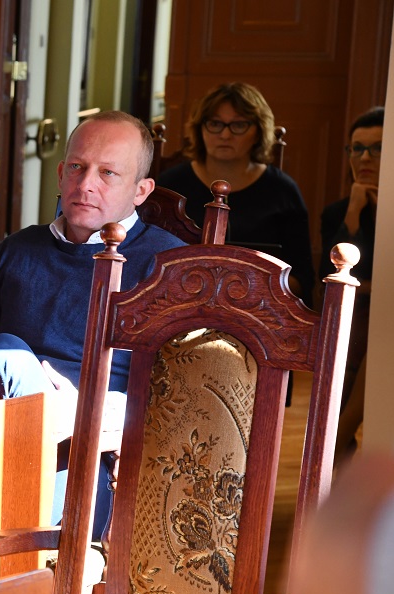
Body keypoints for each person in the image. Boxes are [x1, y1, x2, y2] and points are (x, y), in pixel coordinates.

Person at [0, 111, 186, 536]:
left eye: (107, 173)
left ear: (141, 190)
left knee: (5, 359)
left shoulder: (170, 266)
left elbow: (182, 395)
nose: (86, 184)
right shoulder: (17, 249)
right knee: (1, 359)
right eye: (77, 166)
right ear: (60, 173)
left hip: (89, 454)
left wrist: (93, 411)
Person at [157, 82, 314, 305]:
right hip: (178, 304)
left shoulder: (283, 190)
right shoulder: (169, 185)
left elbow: (302, 280)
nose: (225, 134)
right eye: (215, 124)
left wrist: (254, 292)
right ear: (200, 129)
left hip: (259, 308)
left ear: (258, 131)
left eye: (238, 125)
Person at [320, 106, 382, 462]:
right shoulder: (338, 212)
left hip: (376, 321)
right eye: (357, 148)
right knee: (353, 334)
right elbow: (327, 282)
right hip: (357, 318)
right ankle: (337, 451)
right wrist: (354, 214)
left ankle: (335, 441)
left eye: (377, 148)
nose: (365, 158)